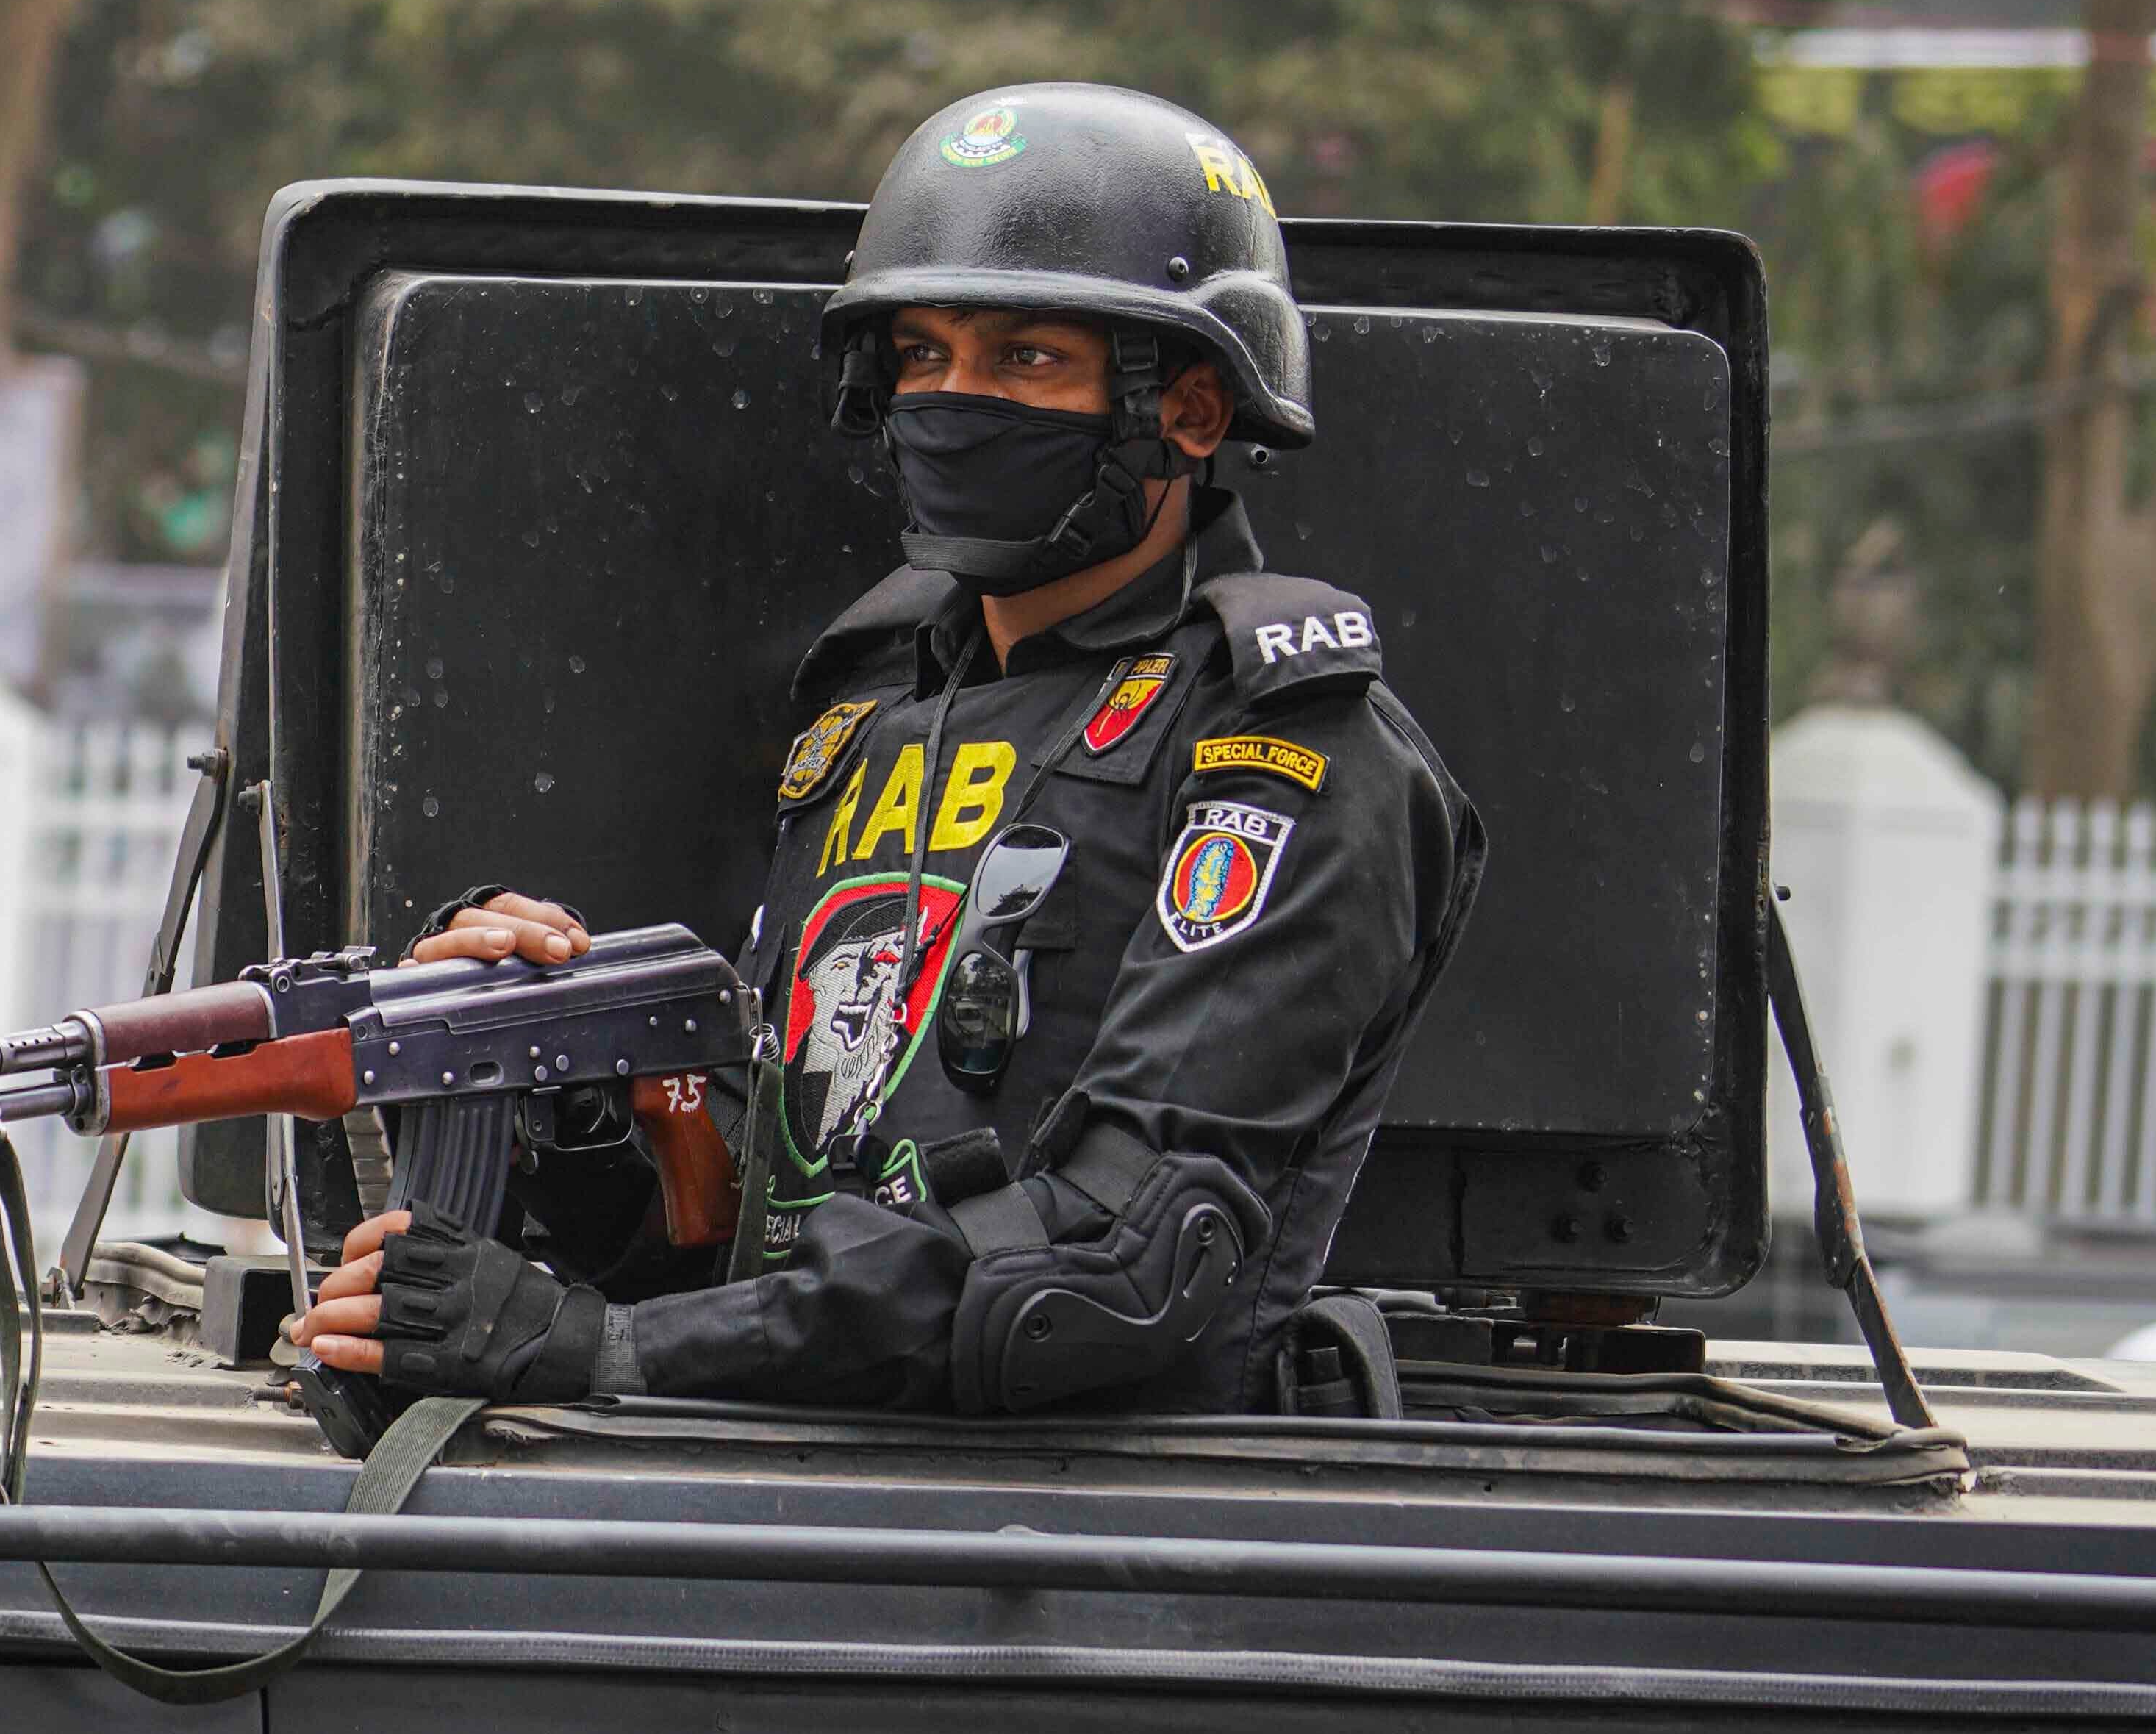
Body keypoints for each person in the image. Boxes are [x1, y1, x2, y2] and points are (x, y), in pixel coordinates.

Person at [287, 80, 1483, 1416]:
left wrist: (608, 1356)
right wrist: (567, 1098)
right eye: (922, 355)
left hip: (1106, 1540)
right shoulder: (870, 713)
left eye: (1027, 358)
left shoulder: (1280, 749)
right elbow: (771, 1218)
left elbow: (1110, 1262)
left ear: (1191, 410)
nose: (955, 399)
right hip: (810, 1487)